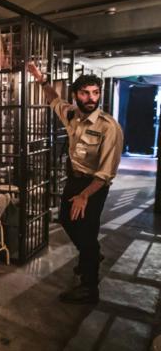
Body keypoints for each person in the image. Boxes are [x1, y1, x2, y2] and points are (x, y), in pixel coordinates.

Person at [27, 62, 123, 304]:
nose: (91, 98)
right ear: (76, 95)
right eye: (85, 93)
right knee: (67, 220)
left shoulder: (108, 127)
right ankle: (91, 255)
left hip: (94, 186)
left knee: (87, 233)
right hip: (73, 180)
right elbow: (53, 99)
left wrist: (85, 196)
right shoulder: (71, 114)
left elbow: (106, 173)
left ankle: (89, 286)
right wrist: (40, 79)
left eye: (95, 92)